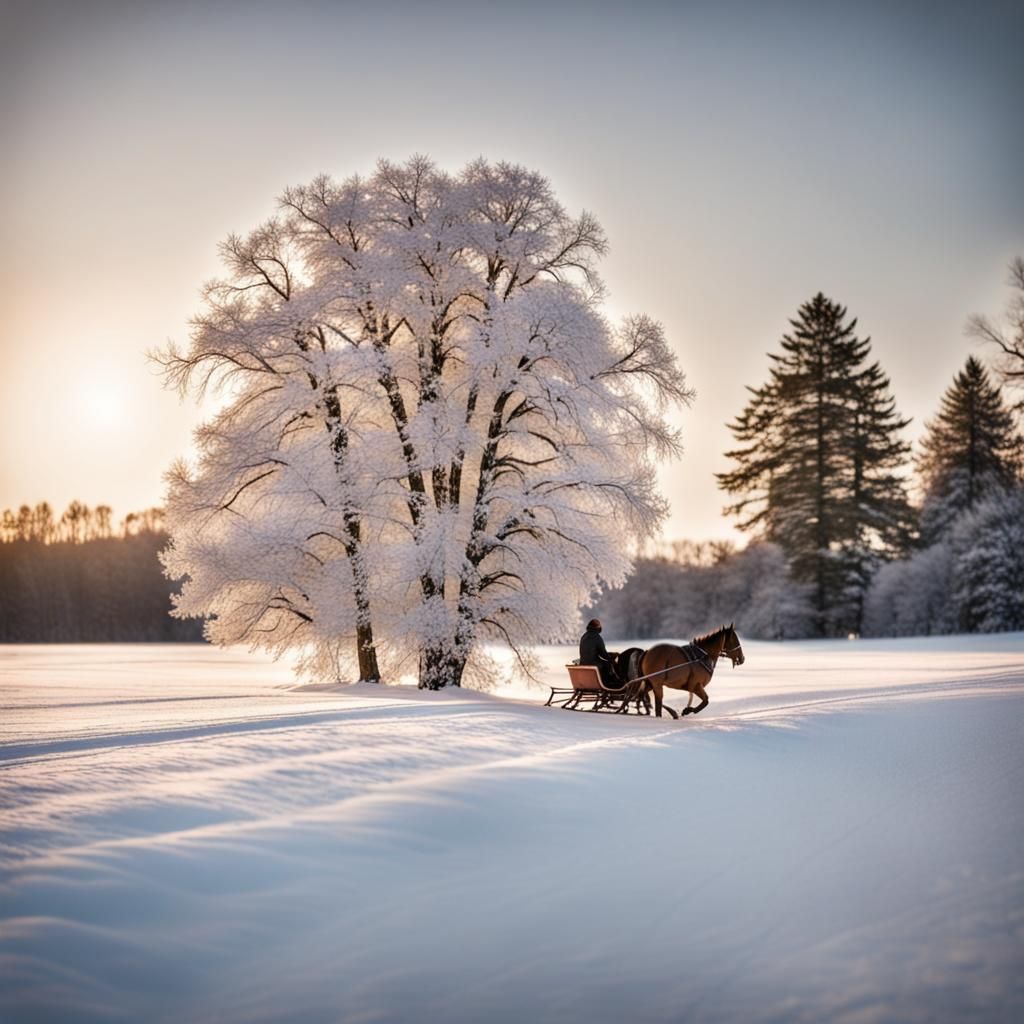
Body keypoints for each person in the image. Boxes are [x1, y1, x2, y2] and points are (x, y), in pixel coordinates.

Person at [579, 618, 623, 689]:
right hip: (593, 663)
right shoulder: (597, 637)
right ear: (597, 627)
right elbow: (603, 653)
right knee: (608, 664)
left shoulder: (584, 636)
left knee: (605, 663)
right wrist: (611, 659)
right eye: (599, 626)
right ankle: (609, 684)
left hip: (583, 662)